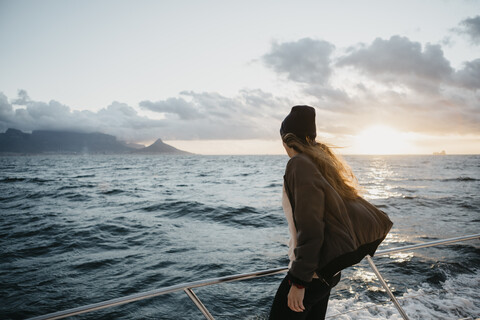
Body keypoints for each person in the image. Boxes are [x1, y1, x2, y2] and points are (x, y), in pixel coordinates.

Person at [269, 105, 393, 320]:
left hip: (310, 276)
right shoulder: (320, 164)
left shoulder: (298, 164)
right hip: (328, 273)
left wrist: (299, 282)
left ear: (286, 138)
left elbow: (310, 228)